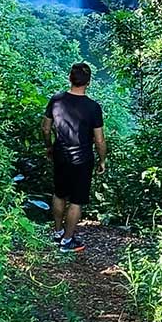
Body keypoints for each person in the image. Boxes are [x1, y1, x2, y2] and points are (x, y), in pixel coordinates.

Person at [41, 62, 106, 253]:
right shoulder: (93, 107)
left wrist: (49, 147)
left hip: (61, 154)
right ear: (89, 82)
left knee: (59, 193)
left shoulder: (56, 100)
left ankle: (58, 231)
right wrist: (102, 160)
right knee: (76, 200)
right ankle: (67, 241)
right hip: (82, 159)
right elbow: (100, 140)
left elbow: (45, 128)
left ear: (70, 78)